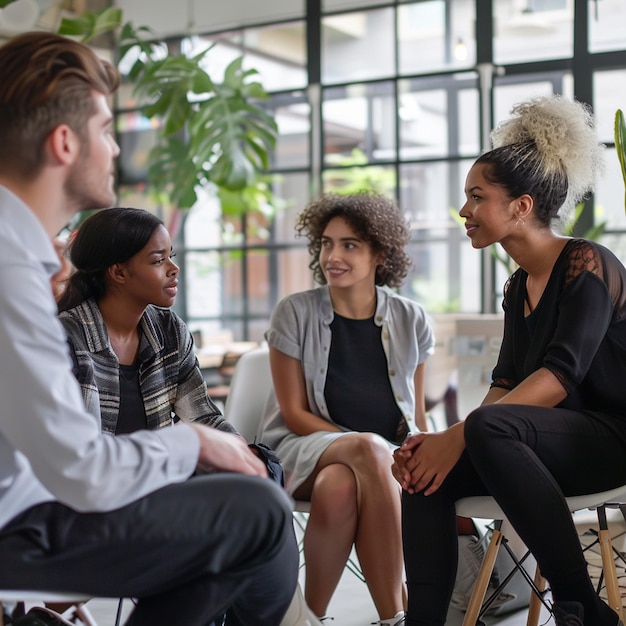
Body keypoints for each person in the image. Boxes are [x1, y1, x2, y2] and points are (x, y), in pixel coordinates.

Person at [0, 31, 298, 626]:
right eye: (107, 129)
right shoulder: (11, 268)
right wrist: (195, 443)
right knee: (258, 513)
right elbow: (81, 471)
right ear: (64, 143)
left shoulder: (24, 261)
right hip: (22, 517)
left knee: (249, 505)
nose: (115, 148)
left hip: (32, 497)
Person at [393, 94, 626, 626]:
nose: (464, 211)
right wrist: (438, 448)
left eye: (477, 197)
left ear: (520, 206)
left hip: (614, 437)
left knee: (484, 429)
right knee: (423, 474)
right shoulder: (518, 285)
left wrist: (460, 435)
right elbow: (504, 383)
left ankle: (582, 606)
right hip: (549, 443)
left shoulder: (588, 263)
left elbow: (560, 376)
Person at [258, 191, 435, 626]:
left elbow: (418, 415)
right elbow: (295, 414)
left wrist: (419, 453)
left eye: (349, 244)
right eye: (326, 243)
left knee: (340, 485)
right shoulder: (294, 312)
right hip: (302, 450)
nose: (332, 255)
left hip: (380, 463)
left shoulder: (412, 319)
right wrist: (366, 447)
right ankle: (396, 617)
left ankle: (309, 618)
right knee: (368, 453)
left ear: (380, 253)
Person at [56, 207, 237, 438]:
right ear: (118, 273)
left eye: (171, 257)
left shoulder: (170, 330)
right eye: (158, 260)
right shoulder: (64, 339)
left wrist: (249, 455)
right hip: (93, 472)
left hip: (161, 472)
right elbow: (67, 444)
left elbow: (203, 418)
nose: (174, 269)